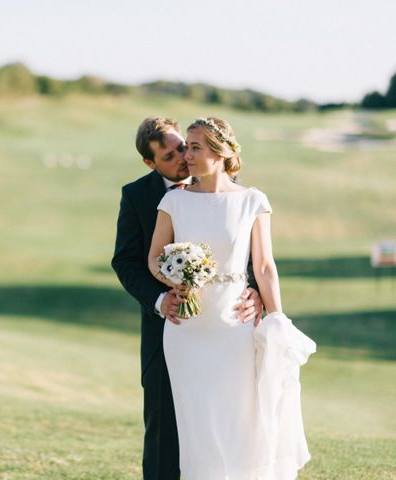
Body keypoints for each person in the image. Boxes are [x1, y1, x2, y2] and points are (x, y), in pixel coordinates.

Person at [147, 117, 311, 479]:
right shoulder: (173, 200)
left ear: (219, 153)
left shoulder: (253, 201)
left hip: (236, 326)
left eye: (194, 147)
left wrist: (277, 315)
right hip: (186, 332)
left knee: (242, 419)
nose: (185, 155)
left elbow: (265, 265)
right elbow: (155, 258)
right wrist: (175, 280)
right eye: (186, 146)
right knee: (197, 427)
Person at [111, 117, 264, 480]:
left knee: (224, 423)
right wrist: (160, 300)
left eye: (184, 147)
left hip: (228, 329)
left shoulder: (226, 189)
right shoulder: (137, 195)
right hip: (171, 328)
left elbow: (248, 254)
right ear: (150, 163)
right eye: (170, 155)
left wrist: (256, 292)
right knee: (165, 427)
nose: (183, 157)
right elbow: (126, 261)